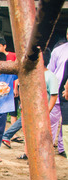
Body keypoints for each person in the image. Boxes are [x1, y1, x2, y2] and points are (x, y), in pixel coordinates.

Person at [48, 28, 68, 157]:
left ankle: (63, 148)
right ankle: (48, 147)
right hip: (56, 92)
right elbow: (51, 70)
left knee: (66, 123)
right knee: (51, 121)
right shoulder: (58, 50)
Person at [0, 37, 19, 125]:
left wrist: (15, 88)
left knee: (13, 111)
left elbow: (18, 72)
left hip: (12, 86)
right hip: (0, 88)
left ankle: (13, 133)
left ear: (4, 46)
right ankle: (2, 132)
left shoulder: (13, 56)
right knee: (0, 111)